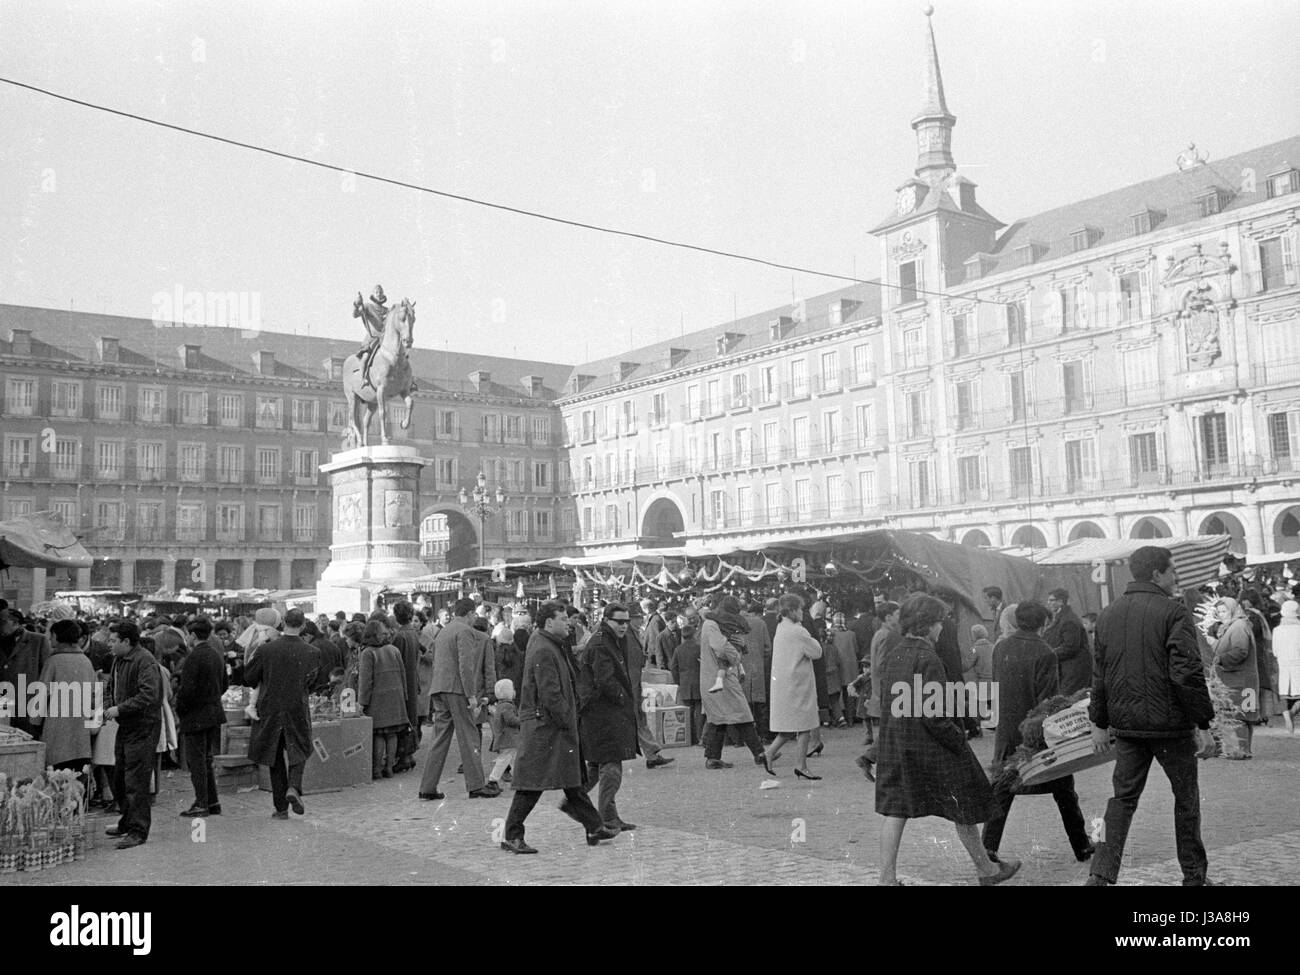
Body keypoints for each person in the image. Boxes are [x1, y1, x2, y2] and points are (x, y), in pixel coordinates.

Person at [1086, 545, 1216, 886]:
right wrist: (1202, 723)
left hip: (1128, 727)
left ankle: (1100, 876)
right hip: (1171, 726)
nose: (1176, 577)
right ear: (1157, 573)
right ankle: (1194, 878)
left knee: (1120, 801)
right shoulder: (1174, 612)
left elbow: (1100, 675)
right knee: (1186, 799)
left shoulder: (1109, 614)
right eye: (1172, 571)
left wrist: (1099, 722)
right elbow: (1186, 672)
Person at [875, 594, 1020, 887]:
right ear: (928, 624)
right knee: (964, 803)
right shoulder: (928, 657)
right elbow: (936, 714)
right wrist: (958, 738)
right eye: (940, 622)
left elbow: (889, 705)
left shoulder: (896, 654)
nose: (942, 628)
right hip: (932, 745)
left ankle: (886, 879)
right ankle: (987, 871)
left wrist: (875, 749)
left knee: (897, 809)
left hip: (901, 744)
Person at [501, 601, 617, 854]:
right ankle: (512, 834)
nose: (569, 622)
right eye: (563, 618)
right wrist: (568, 720)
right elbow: (550, 692)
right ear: (548, 622)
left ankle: (594, 826)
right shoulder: (544, 648)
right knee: (533, 783)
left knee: (572, 779)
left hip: (552, 725)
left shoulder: (548, 644)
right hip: (547, 727)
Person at [982, 601, 1093, 863]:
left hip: (1007, 729)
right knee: (1064, 786)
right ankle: (1081, 845)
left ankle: (988, 847)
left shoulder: (1001, 648)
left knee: (1002, 788)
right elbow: (1047, 701)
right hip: (1034, 732)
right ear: (1043, 624)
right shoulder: (1045, 652)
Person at [419, 597, 499, 800]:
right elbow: (466, 666)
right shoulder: (465, 631)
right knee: (469, 735)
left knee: (439, 738)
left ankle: (427, 787)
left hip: (439, 689)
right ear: (471, 613)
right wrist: (471, 695)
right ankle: (476, 785)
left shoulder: (444, 630)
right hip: (456, 690)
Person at [245, 608, 318, 821]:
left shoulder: (266, 650)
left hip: (270, 709)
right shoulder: (312, 652)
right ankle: (294, 786)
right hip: (297, 708)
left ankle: (280, 809)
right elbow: (311, 684)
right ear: (303, 625)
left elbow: (250, 678)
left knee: (274, 756)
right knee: (301, 748)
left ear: (283, 622)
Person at [577, 603, 641, 832]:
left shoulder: (607, 639)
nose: (624, 625)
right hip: (604, 713)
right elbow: (605, 680)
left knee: (597, 766)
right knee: (611, 766)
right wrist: (623, 697)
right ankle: (606, 817)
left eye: (626, 621)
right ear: (607, 620)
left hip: (601, 713)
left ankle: (577, 802)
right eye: (619, 621)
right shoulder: (602, 643)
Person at [102, 621, 163, 850]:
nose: (110, 644)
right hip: (126, 725)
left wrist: (120, 708)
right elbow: (112, 687)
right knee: (119, 775)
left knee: (135, 780)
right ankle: (127, 822)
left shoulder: (144, 660)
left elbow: (149, 694)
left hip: (143, 725)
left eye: (113, 640)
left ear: (126, 641)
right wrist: (109, 706)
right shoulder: (120, 658)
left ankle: (138, 831)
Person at [697, 595, 766, 770]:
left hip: (712, 677)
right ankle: (759, 754)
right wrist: (737, 654)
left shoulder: (711, 624)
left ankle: (712, 758)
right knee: (742, 714)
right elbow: (721, 647)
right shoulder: (712, 625)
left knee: (718, 718)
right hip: (722, 679)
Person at [762, 593, 821, 778]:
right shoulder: (798, 631)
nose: (802, 612)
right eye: (800, 609)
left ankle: (769, 753)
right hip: (799, 685)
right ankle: (801, 765)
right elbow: (816, 652)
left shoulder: (781, 628)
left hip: (784, 685)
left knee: (788, 727)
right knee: (805, 725)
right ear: (793, 610)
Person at [174, 616, 227, 817]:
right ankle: (212, 802)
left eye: (188, 634)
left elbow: (186, 691)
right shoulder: (216, 654)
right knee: (206, 759)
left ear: (193, 635)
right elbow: (225, 684)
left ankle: (202, 803)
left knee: (196, 761)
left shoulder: (193, 657)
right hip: (213, 713)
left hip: (195, 716)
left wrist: (181, 711)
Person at [30, 618, 96, 779]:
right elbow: (95, 695)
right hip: (81, 735)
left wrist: (34, 724)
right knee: (78, 782)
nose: (49, 638)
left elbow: (41, 695)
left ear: (58, 636)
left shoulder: (54, 661)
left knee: (57, 781)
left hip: (57, 731)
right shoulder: (86, 661)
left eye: (50, 634)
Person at [358, 620, 410, 779]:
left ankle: (377, 769)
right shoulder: (394, 650)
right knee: (392, 734)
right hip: (396, 697)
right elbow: (403, 675)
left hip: (377, 700)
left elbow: (365, 682)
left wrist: (362, 702)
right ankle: (389, 767)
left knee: (379, 734)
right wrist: (405, 696)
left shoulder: (367, 653)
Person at [1211, 597, 1261, 759]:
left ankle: (1240, 750)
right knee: (1242, 715)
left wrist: (1220, 659)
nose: (1222, 615)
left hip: (1240, 679)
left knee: (1239, 715)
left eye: (1224, 611)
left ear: (1233, 609)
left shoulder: (1238, 626)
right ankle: (1242, 750)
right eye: (1219, 612)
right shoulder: (1234, 626)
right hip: (1240, 679)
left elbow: (1240, 651)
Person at [627, 603, 675, 770]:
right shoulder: (627, 634)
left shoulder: (634, 633)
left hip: (634, 682)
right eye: (637, 617)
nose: (641, 619)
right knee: (636, 719)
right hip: (629, 684)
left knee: (639, 719)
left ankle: (652, 754)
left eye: (641, 616)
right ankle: (652, 754)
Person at [0, 607, 51, 736]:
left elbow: (46, 673)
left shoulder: (38, 640)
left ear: (15, 623)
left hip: (28, 705)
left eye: (2, 622)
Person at [389, 600, 424, 773]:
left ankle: (404, 756)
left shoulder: (399, 636)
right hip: (412, 679)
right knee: (411, 717)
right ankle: (409, 755)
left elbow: (396, 662)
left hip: (402, 681)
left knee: (404, 719)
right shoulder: (413, 633)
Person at [1044, 588, 1090, 695]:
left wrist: (1048, 655)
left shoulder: (1069, 620)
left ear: (1060, 601)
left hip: (1073, 671)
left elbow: (1070, 647)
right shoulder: (1062, 618)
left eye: (1051, 600)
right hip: (1067, 669)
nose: (1048, 603)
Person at [670, 610, 703, 744]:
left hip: (684, 683)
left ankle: (689, 738)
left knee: (687, 712)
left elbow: (673, 667)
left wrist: (678, 681)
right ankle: (700, 736)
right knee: (699, 712)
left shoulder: (678, 649)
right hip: (698, 682)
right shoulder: (699, 648)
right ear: (694, 635)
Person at [353, 284, 390, 387]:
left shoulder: (387, 310)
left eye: (381, 292)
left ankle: (408, 381)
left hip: (385, 340)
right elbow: (355, 314)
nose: (379, 294)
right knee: (366, 356)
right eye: (377, 292)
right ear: (373, 294)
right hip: (372, 338)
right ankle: (362, 378)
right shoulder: (368, 306)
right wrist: (356, 304)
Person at [487, 678, 519, 789]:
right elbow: (511, 720)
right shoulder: (508, 706)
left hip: (506, 739)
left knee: (513, 759)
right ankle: (493, 779)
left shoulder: (500, 705)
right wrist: (522, 721)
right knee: (505, 759)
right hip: (509, 739)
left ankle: (518, 778)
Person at [1274, 600, 1300, 733]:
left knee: (1284, 693)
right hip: (1298, 663)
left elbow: (1275, 651)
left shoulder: (1277, 630)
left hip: (1283, 664)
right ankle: (1293, 711)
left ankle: (1285, 713)